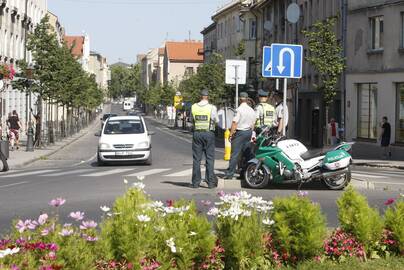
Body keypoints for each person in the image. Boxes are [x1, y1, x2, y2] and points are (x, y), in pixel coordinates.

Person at [224, 92, 256, 179]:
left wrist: (231, 134)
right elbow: (253, 123)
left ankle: (229, 174)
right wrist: (250, 131)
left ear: (239, 99)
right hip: (248, 132)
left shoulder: (239, 110)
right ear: (247, 99)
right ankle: (246, 173)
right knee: (247, 153)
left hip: (239, 133)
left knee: (235, 154)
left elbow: (234, 122)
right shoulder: (251, 110)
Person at [191, 89, 219, 189]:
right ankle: (210, 183)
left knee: (196, 159)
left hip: (197, 133)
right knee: (210, 159)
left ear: (200, 96)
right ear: (208, 97)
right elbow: (216, 120)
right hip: (208, 133)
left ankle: (195, 183)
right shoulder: (212, 108)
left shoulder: (193, 107)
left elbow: (192, 120)